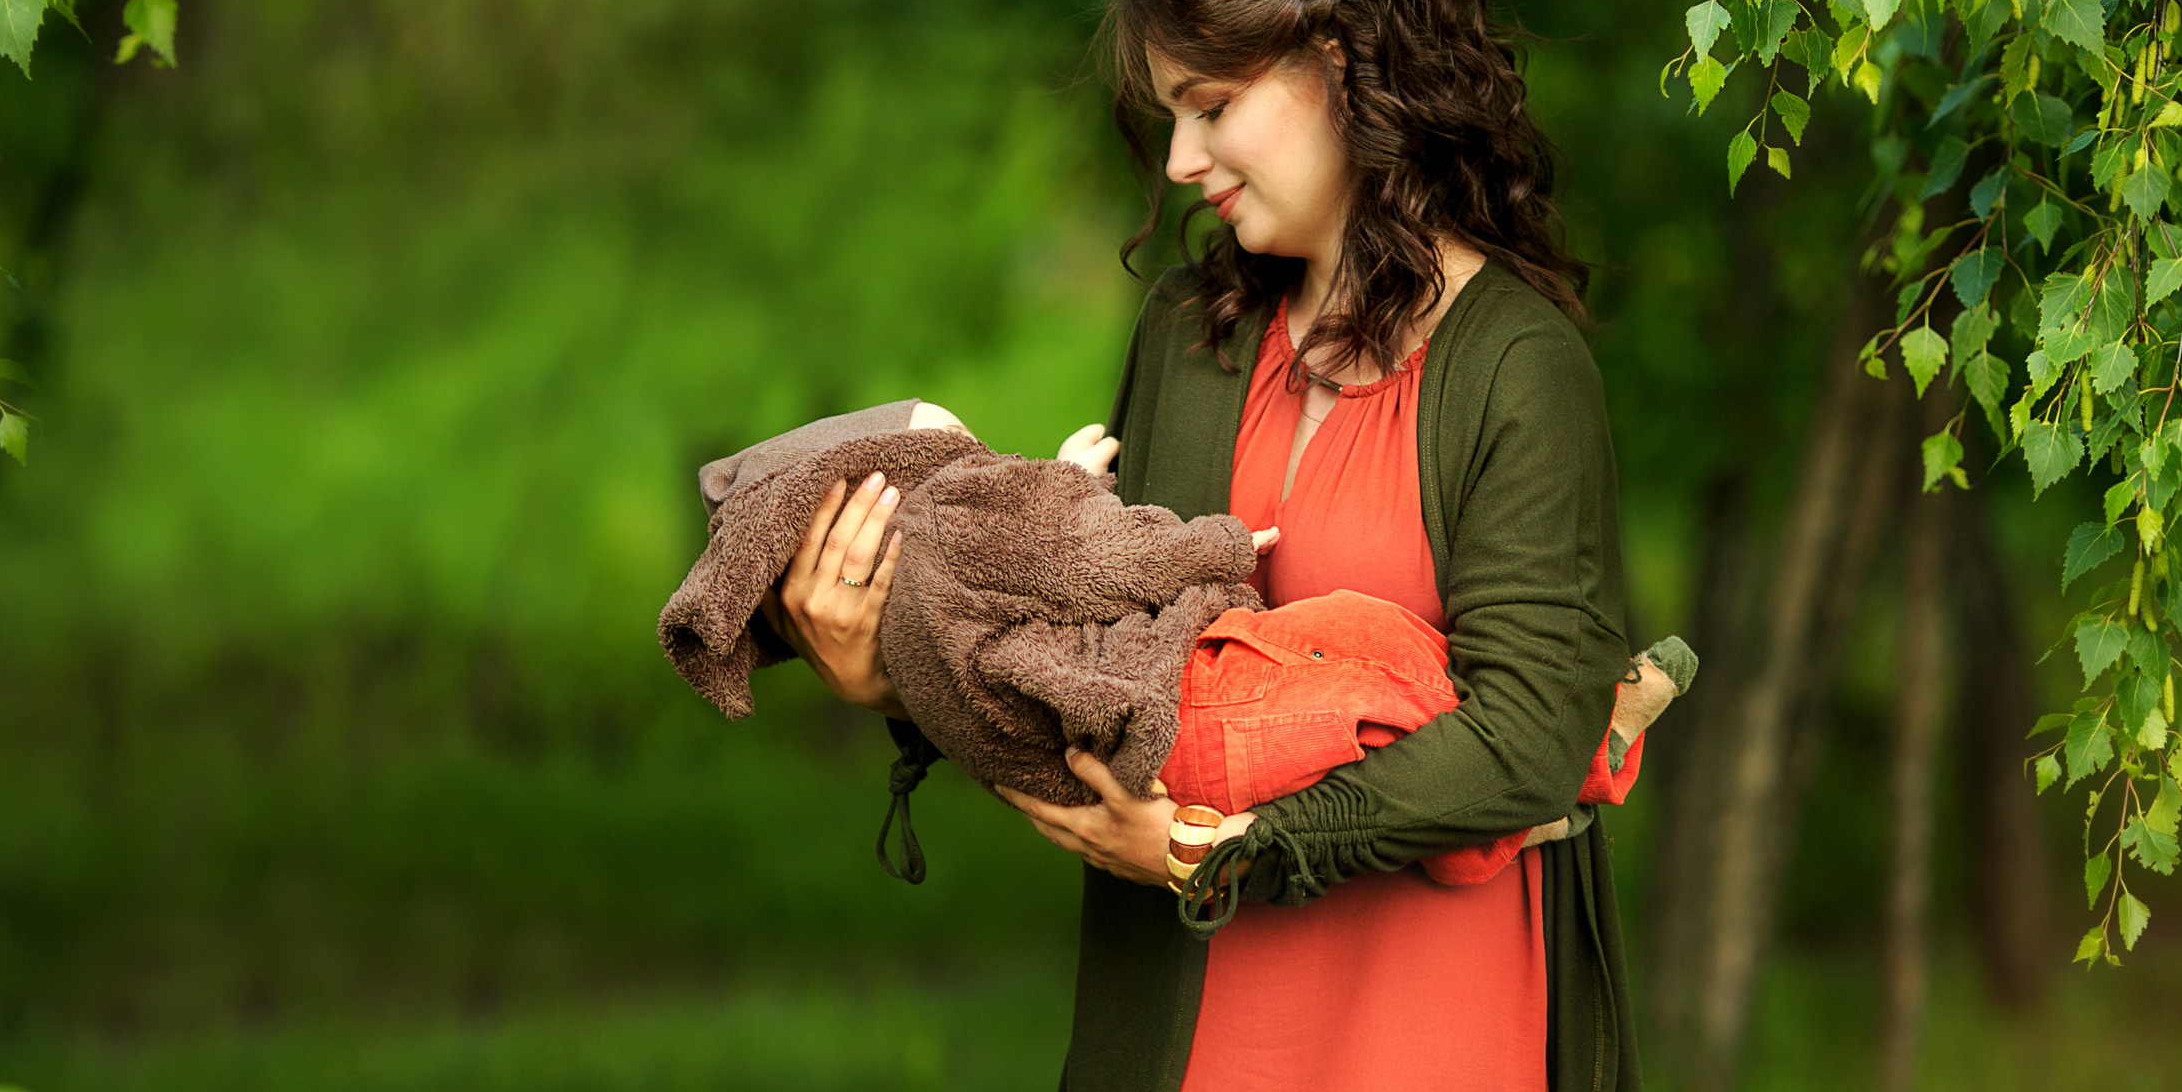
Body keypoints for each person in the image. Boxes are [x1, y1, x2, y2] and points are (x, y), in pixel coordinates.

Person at [775, 0, 1665, 1092]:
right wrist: (892, 670)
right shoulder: (1190, 337)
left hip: (1425, 1036)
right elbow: (1103, 657)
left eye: (1211, 106)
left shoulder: (1520, 366)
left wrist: (1227, 848)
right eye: (1173, 116)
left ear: (1340, 67)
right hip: (1189, 1044)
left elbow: (1530, 735)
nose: (1183, 162)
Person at [663, 396, 1691, 893]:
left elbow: (1021, 624)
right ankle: (1541, 783)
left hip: (1142, 753)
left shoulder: (921, 621)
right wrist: (1220, 542)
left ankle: (1548, 784)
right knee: (1374, 659)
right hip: (1194, 712)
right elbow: (1092, 558)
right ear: (897, 460)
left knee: (1369, 680)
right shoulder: (958, 519)